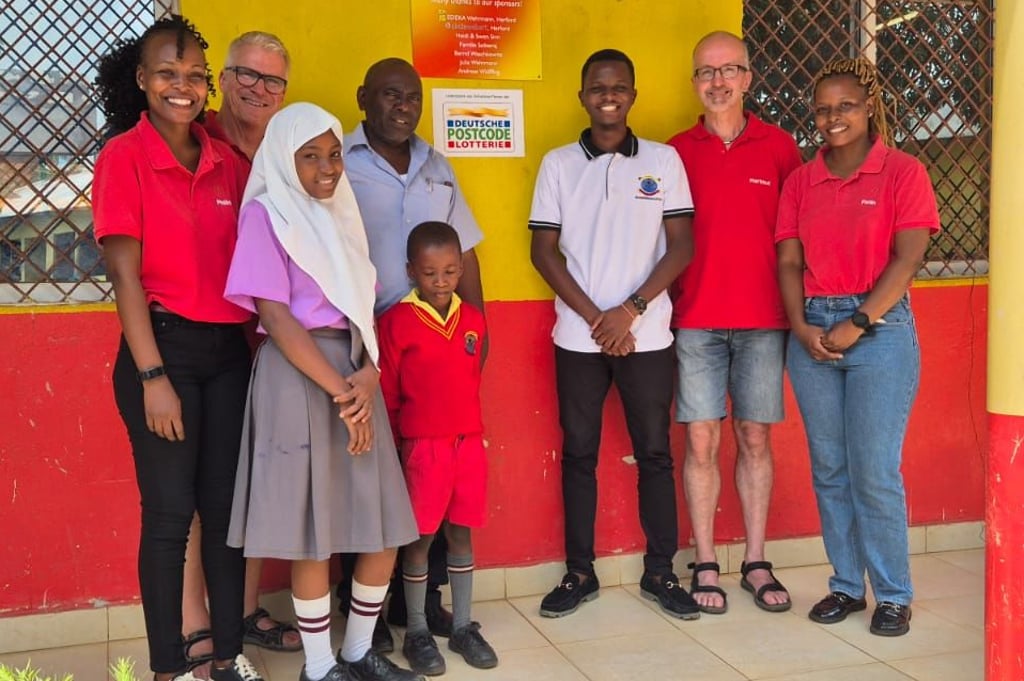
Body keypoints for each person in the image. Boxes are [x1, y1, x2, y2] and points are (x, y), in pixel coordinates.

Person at [223, 102, 423, 681]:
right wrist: (343, 390)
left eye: (333, 154)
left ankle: (359, 651)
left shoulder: (342, 214)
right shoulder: (266, 215)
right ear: (284, 162)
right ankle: (320, 666)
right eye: (309, 157)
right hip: (300, 377)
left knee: (380, 523)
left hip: (355, 372)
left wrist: (369, 373)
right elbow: (277, 318)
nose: (326, 168)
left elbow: (362, 305)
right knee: (313, 533)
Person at [93, 15, 263, 681]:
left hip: (229, 357)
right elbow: (125, 277)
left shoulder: (223, 159)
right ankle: (168, 667)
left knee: (226, 518)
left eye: (195, 75)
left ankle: (227, 655)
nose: (182, 86)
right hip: (161, 353)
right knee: (169, 518)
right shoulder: (123, 158)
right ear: (142, 79)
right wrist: (152, 375)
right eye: (168, 73)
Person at [529, 48, 699, 621]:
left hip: (647, 338)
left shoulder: (664, 160)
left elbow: (681, 246)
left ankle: (661, 573)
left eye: (619, 87)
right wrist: (600, 320)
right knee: (578, 454)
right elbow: (543, 251)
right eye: (598, 87)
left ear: (632, 95)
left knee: (655, 455)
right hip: (579, 339)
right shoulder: (557, 164)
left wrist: (631, 310)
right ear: (582, 96)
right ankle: (580, 572)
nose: (609, 95)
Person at [776, 57, 940, 637]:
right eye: (822, 109)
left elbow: (909, 257)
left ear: (868, 107)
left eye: (844, 106)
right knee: (830, 468)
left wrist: (860, 322)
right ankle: (846, 585)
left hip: (881, 331)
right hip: (812, 330)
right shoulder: (801, 180)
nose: (832, 117)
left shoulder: (902, 172)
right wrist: (800, 327)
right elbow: (790, 259)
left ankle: (893, 594)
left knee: (873, 470)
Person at [339, 57, 486, 651]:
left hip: (440, 344)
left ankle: (416, 608)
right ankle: (364, 623)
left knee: (430, 494)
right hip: (367, 341)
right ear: (363, 97)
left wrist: (479, 331)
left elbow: (466, 252)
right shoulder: (337, 164)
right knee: (365, 481)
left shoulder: (437, 166)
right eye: (390, 95)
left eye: (412, 98)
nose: (403, 107)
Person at [666, 31, 802, 615]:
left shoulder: (780, 147)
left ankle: (754, 559)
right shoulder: (674, 151)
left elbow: (798, 235)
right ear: (694, 82)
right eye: (706, 72)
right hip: (694, 319)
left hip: (763, 322)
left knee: (754, 436)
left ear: (748, 78)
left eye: (729, 70)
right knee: (700, 438)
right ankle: (702, 559)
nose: (717, 81)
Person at [180, 30, 301, 666]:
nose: (258, 89)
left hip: (272, 342)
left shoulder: (287, 153)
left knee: (251, 481)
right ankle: (196, 623)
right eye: (246, 76)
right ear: (222, 79)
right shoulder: (193, 140)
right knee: (201, 488)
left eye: (273, 81)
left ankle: (244, 610)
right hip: (203, 336)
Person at [378, 222, 496, 676]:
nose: (442, 281)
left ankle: (463, 625)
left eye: (450, 271)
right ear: (412, 272)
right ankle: (418, 631)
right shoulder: (397, 323)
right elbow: (387, 391)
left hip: (467, 444)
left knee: (461, 533)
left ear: (461, 268)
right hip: (422, 448)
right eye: (430, 273)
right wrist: (392, 445)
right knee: (419, 539)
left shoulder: (472, 320)